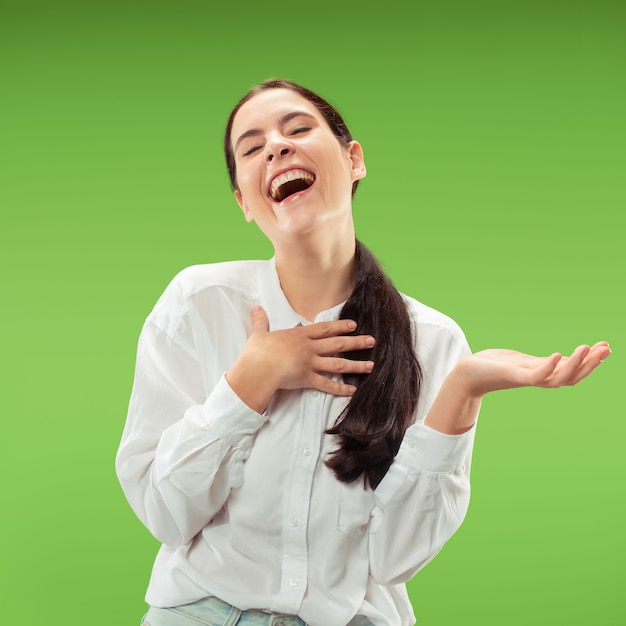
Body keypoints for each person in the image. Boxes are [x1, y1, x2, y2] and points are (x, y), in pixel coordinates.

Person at [116, 79, 610, 626]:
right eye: (252, 147)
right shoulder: (198, 305)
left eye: (298, 128)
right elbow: (165, 513)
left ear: (354, 160)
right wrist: (248, 382)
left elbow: (394, 559)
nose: (277, 146)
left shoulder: (433, 341)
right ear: (244, 204)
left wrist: (463, 390)